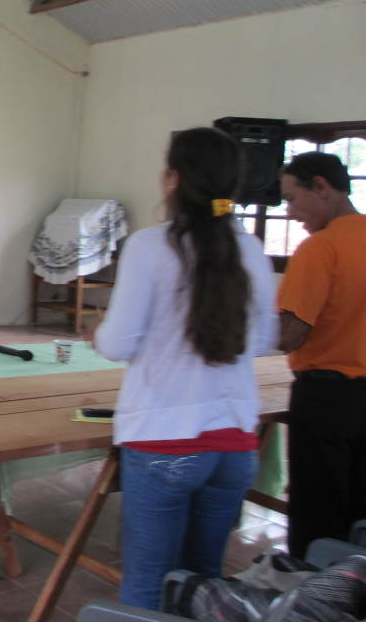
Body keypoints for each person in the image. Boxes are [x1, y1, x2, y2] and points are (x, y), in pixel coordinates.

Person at [91, 127, 277, 610]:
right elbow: (263, 340)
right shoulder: (251, 249)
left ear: (173, 179)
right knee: (203, 584)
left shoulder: (150, 246)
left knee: (148, 585)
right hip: (234, 443)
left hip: (163, 439)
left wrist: (98, 330)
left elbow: (116, 344)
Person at [276, 151, 366, 558]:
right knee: (355, 512)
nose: (290, 211)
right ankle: (349, 587)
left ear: (321, 187)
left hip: (327, 400)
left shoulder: (321, 248)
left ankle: (312, 590)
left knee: (316, 519)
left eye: (291, 198)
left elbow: (291, 336)